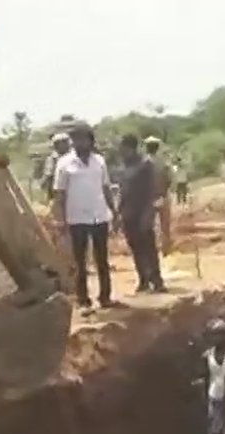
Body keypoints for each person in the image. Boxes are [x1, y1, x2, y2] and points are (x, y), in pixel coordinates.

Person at [54, 122, 121, 310]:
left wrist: (114, 211)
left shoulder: (99, 161)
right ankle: (83, 300)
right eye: (75, 139)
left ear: (90, 141)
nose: (79, 142)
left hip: (99, 215)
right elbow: (60, 193)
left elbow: (106, 187)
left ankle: (105, 297)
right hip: (76, 218)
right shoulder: (64, 164)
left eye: (83, 138)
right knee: (80, 262)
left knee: (102, 260)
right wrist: (60, 219)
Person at [117, 134, 165, 293]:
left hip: (143, 212)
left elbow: (152, 190)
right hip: (128, 213)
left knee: (149, 248)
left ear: (130, 147)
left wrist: (149, 213)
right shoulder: (124, 166)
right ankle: (143, 280)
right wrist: (118, 213)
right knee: (136, 248)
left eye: (122, 147)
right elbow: (122, 191)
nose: (120, 151)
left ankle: (157, 280)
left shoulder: (146, 165)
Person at [202, 318, 225, 434]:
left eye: (221, 334)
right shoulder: (208, 355)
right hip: (215, 399)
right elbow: (207, 378)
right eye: (215, 334)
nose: (218, 338)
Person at [145, 137, 174, 255]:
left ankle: (151, 249)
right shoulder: (164, 162)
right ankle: (165, 248)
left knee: (149, 225)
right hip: (163, 195)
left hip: (148, 198)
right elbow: (170, 179)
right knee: (165, 225)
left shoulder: (143, 163)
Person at [42, 133, 72, 201]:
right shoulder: (53, 158)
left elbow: (48, 174)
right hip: (57, 191)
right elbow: (49, 174)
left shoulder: (73, 157)